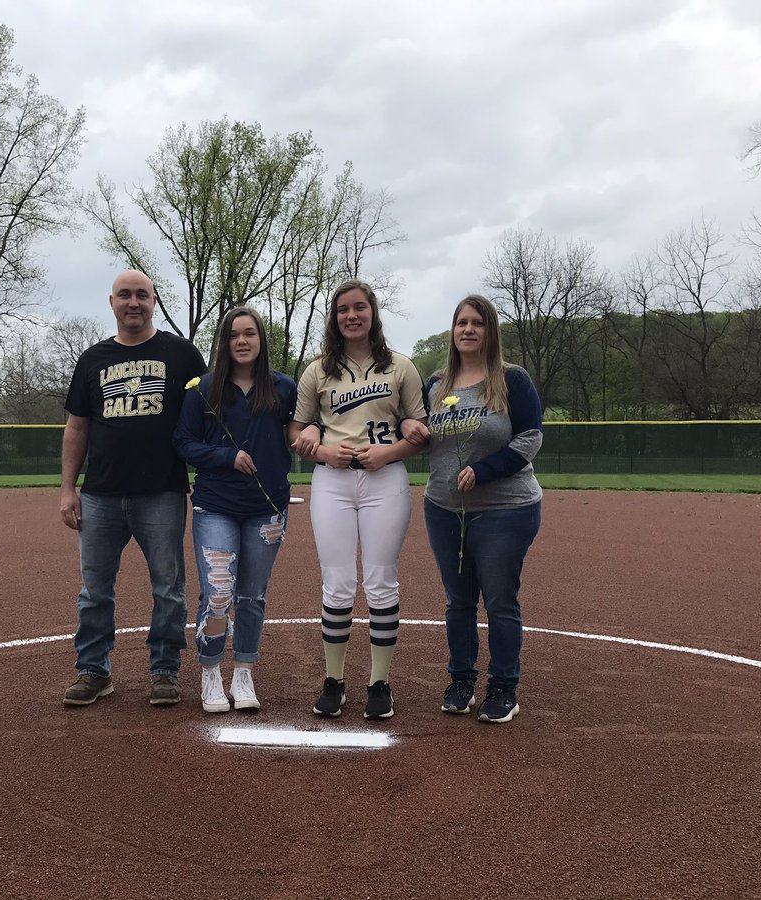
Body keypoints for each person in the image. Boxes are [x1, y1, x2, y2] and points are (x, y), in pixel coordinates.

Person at [60, 270, 206, 708]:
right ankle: (93, 671)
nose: (133, 302)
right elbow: (76, 427)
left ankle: (164, 671)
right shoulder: (92, 359)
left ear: (154, 301)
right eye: (125, 295)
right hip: (101, 494)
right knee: (95, 590)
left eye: (142, 295)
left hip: (161, 491)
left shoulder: (181, 354)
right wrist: (68, 489)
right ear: (112, 302)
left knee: (168, 586)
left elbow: (206, 418)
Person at [289, 279, 427, 721]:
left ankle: (379, 682)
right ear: (335, 317)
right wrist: (320, 448)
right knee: (338, 583)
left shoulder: (400, 367)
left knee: (381, 581)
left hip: (384, 478)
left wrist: (390, 451)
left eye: (359, 308)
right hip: (333, 480)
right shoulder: (318, 371)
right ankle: (334, 680)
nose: (351, 316)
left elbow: (419, 431)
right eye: (343, 309)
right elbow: (297, 429)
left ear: (373, 313)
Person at [423, 295, 543, 724]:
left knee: (498, 601)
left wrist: (485, 469)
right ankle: (461, 681)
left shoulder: (512, 380)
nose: (468, 330)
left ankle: (503, 687)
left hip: (505, 509)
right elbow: (421, 435)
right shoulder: (435, 384)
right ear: (452, 331)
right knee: (458, 602)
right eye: (461, 323)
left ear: (490, 332)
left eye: (477, 323)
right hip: (443, 508)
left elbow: (531, 438)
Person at [173, 307, 297, 713]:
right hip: (216, 506)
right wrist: (227, 456)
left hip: (267, 508)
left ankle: (243, 672)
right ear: (224, 343)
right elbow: (184, 443)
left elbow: (300, 432)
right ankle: (210, 672)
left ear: (261, 341)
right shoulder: (203, 390)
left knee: (252, 596)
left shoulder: (283, 388)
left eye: (250, 334)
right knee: (219, 593)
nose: (242, 341)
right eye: (233, 335)